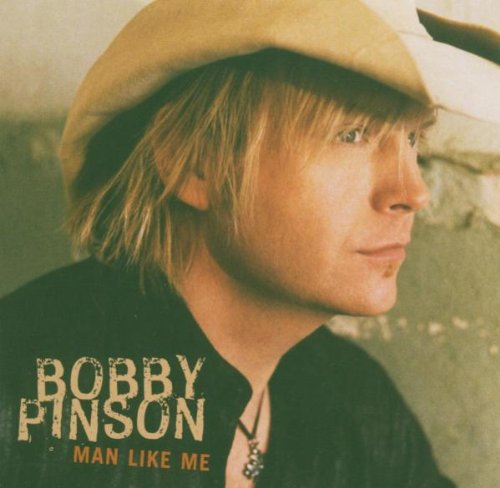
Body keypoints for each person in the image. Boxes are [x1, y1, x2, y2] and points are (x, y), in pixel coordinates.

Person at [1, 1, 499, 487]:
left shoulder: (353, 405)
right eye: (351, 134)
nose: (413, 192)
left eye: (413, 140)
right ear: (194, 165)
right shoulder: (19, 390)